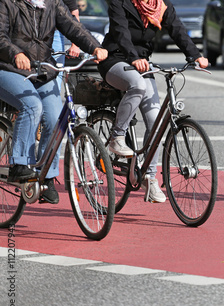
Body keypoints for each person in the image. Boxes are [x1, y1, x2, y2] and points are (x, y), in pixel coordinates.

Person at [97, 0, 208, 203]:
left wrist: (195, 55)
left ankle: (150, 177)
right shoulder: (119, 2)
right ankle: (117, 136)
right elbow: (120, 32)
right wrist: (132, 57)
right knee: (137, 85)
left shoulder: (161, 6)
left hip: (142, 64)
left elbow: (178, 30)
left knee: (155, 122)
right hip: (115, 60)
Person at [0, 0, 108, 204]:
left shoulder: (52, 3)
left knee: (55, 117)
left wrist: (95, 47)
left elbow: (73, 27)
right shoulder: (7, 2)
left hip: (40, 70)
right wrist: (16, 53)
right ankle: (19, 164)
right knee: (33, 106)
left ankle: (46, 176)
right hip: (7, 68)